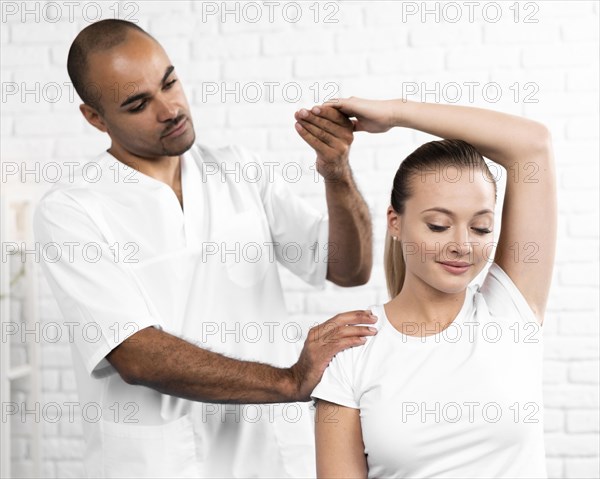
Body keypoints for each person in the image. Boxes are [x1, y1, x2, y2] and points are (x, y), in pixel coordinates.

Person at [33, 20, 377, 478]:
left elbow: (348, 269)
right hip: (163, 464)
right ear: (95, 118)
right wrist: (290, 380)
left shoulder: (240, 170)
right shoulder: (72, 210)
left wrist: (337, 174)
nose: (169, 108)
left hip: (273, 455)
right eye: (138, 104)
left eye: (170, 82)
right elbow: (134, 353)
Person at [311, 97, 556, 478]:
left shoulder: (510, 311)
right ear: (395, 222)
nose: (462, 244)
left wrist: (395, 114)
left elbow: (532, 145)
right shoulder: (351, 350)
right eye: (439, 225)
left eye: (481, 228)